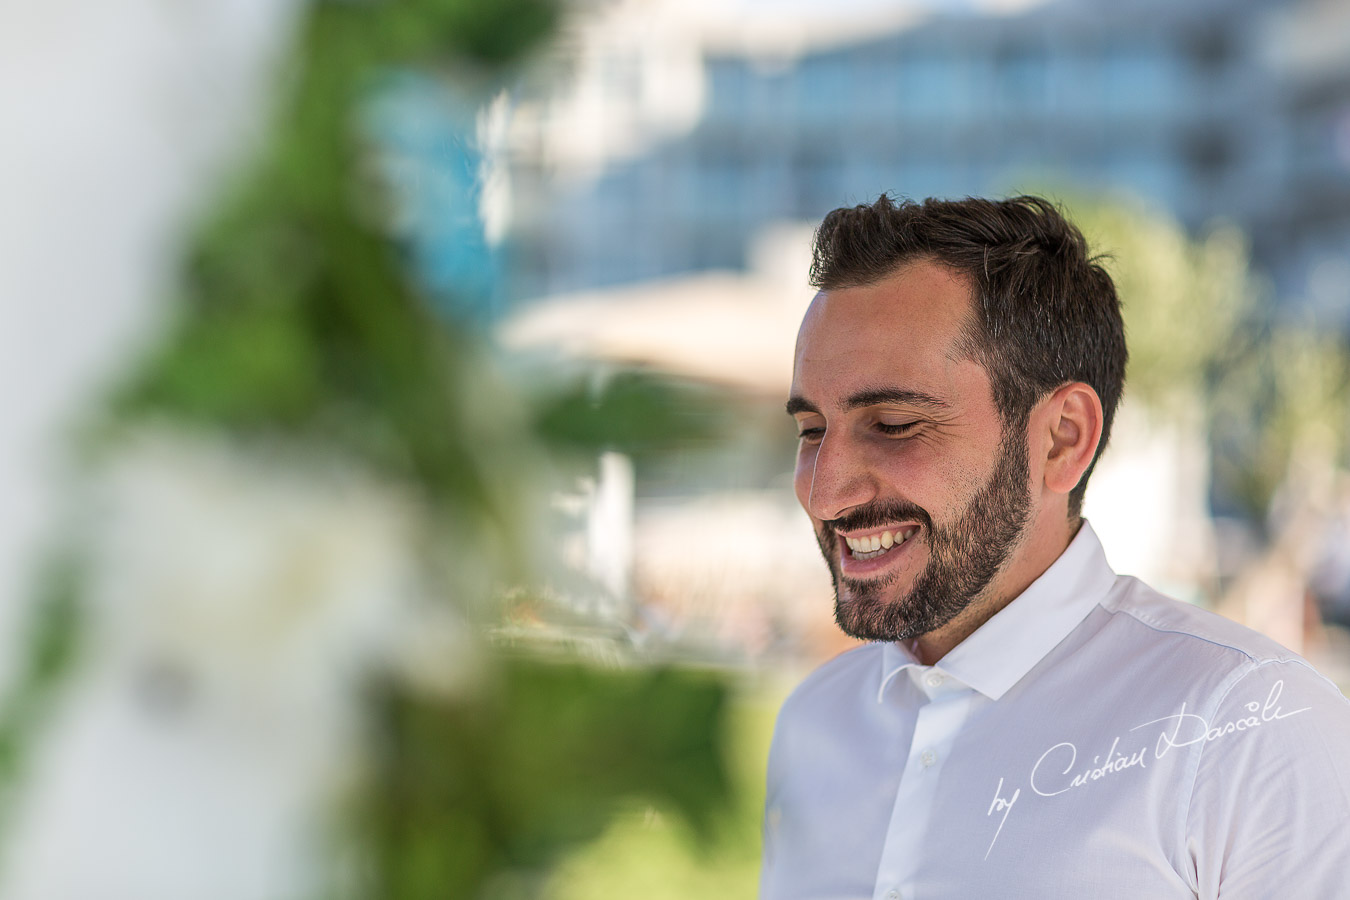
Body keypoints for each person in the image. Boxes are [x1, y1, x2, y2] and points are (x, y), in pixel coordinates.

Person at [760, 194, 1350, 899]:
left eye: (891, 423)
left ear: (1061, 438)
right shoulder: (813, 724)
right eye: (811, 431)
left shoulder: (1251, 732)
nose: (825, 494)